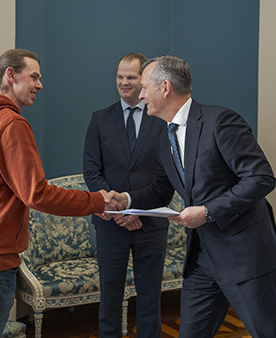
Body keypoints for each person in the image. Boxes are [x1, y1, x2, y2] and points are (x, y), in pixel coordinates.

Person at [113, 55, 276, 337]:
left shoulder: (220, 121)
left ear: (165, 87)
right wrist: (125, 201)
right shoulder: (164, 138)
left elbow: (261, 178)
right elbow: (159, 192)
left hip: (245, 257)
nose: (141, 93)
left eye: (145, 86)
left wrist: (207, 212)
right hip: (201, 261)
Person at [0, 49, 119, 338]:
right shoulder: (11, 124)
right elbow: (37, 194)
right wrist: (96, 201)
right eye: (34, 77)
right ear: (10, 76)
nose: (40, 85)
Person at [83, 52, 172, 338]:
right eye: (119, 76)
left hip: (151, 223)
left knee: (150, 299)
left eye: (131, 77)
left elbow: (166, 175)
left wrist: (136, 209)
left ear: (144, 80)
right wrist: (119, 211)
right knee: (109, 298)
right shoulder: (100, 119)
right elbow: (92, 171)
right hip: (111, 224)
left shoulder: (161, 120)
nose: (123, 82)